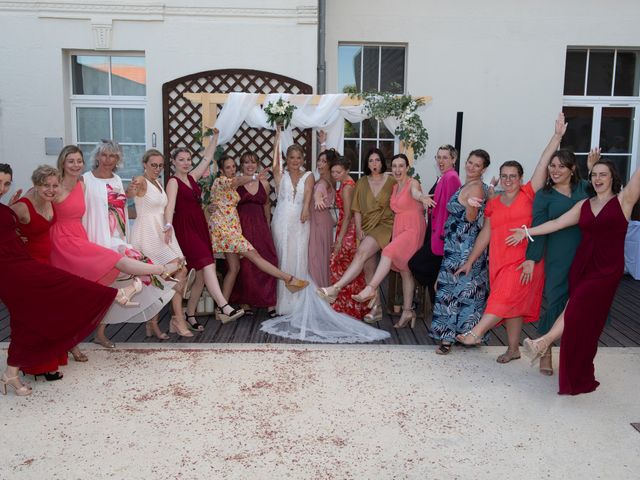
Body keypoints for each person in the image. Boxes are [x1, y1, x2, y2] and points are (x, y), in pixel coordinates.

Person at [0, 163, 139, 396]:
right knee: (65, 284)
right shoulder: (16, 207)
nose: (2, 188)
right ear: (36, 185)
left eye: (6, 183)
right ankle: (117, 294)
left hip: (21, 264)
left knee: (29, 319)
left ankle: (10, 373)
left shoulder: (7, 208)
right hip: (12, 270)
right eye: (0, 182)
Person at [509, 158, 640, 395]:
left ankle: (544, 341)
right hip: (582, 266)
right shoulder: (584, 205)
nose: (598, 179)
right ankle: (578, 374)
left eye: (603, 175)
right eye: (595, 175)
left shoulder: (623, 201)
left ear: (613, 178)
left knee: (577, 303)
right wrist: (527, 232)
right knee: (583, 321)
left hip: (607, 270)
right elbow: (557, 223)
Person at [260, 128, 390, 343]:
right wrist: (277, 137)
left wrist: (310, 206)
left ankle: (307, 300)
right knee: (283, 258)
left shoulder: (310, 176)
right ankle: (283, 302)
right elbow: (281, 165)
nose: (295, 160)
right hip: (281, 220)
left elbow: (319, 187)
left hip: (303, 221)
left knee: (302, 259)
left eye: (299, 157)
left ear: (303, 159)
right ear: (287, 158)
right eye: (291, 157)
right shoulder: (281, 175)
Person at [455, 114, 566, 362]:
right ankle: (513, 349)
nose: (507, 180)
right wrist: (471, 260)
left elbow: (542, 163)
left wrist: (556, 136)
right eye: (504, 176)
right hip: (499, 260)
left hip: (524, 261)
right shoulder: (494, 201)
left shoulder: (529, 194)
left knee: (504, 297)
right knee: (511, 305)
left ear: (521, 178)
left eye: (512, 176)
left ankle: (476, 332)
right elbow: (486, 232)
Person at [49, 146, 179, 349]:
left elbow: (119, 205)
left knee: (131, 273)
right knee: (102, 289)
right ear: (97, 157)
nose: (108, 159)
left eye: (113, 156)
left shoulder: (117, 180)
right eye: (104, 155)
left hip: (116, 237)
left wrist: (130, 194)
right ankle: (83, 337)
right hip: (95, 239)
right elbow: (73, 208)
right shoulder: (85, 180)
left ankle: (104, 328)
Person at [521, 148, 598, 374]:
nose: (555, 170)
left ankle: (575, 356)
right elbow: (538, 226)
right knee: (556, 301)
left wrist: (594, 169)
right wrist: (531, 258)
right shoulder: (544, 195)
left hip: (587, 254)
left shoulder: (585, 188)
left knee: (582, 304)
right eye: (552, 166)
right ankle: (546, 351)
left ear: (572, 169)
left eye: (561, 166)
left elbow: (608, 196)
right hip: (558, 254)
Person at [208, 153, 308, 319]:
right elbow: (235, 183)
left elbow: (263, 203)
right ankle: (289, 279)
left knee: (235, 268)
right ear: (221, 170)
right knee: (254, 259)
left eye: (233, 166)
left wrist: (214, 205)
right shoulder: (226, 181)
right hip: (230, 231)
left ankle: (221, 310)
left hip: (237, 228)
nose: (232, 170)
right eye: (228, 167)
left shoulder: (235, 183)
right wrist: (212, 207)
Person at [165, 129, 244, 325]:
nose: (185, 162)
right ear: (174, 162)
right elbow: (170, 207)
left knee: (201, 275)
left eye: (188, 159)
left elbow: (208, 158)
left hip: (199, 226)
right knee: (208, 263)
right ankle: (224, 306)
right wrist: (167, 227)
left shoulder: (192, 177)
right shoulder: (173, 182)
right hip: (184, 229)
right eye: (181, 159)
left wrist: (215, 138)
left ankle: (190, 315)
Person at [316, 148, 395, 324]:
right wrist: (359, 229)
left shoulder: (390, 181)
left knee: (357, 257)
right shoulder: (361, 183)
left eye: (377, 160)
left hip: (383, 226)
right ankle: (375, 308)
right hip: (365, 228)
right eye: (371, 161)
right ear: (366, 164)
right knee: (369, 269)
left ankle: (336, 289)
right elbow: (357, 209)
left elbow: (405, 190)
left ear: (382, 162)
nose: (374, 164)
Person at [351, 154, 430, 328]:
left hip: (412, 228)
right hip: (399, 227)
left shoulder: (412, 182)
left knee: (388, 251)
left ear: (407, 168)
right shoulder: (394, 187)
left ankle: (371, 288)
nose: (397, 169)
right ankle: (408, 311)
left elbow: (415, 193)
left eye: (401, 166)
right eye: (394, 166)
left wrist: (422, 197)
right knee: (405, 271)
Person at [429, 150, 491, 354]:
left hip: (464, 247)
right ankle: (462, 335)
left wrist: (472, 208)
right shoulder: (470, 185)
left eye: (477, 165)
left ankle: (448, 339)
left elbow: (472, 219)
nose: (471, 167)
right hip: (455, 244)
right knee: (455, 288)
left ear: (484, 169)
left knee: (457, 290)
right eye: (470, 162)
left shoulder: (477, 189)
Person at [130, 149, 195, 339]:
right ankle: (174, 319)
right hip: (148, 233)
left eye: (160, 165)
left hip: (163, 231)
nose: (157, 168)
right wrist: (129, 189)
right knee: (172, 272)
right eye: (153, 165)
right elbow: (129, 193)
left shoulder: (158, 182)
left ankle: (157, 320)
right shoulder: (141, 180)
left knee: (176, 272)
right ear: (144, 164)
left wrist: (167, 227)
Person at [408, 145, 462, 305]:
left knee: (416, 264)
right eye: (438, 157)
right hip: (433, 232)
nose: (440, 161)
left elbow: (451, 210)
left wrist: (443, 235)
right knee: (432, 271)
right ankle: (438, 310)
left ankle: (438, 298)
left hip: (440, 235)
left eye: (445, 157)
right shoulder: (444, 177)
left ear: (453, 159)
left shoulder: (451, 177)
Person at [229, 151, 279, 318]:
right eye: (246, 163)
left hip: (260, 226)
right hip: (241, 226)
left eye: (253, 162)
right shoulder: (236, 182)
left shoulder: (264, 184)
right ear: (241, 166)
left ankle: (269, 302)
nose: (250, 166)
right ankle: (245, 301)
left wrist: (268, 225)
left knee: (268, 259)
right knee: (245, 265)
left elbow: (266, 205)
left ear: (257, 164)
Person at [328, 156, 369, 319]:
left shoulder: (347, 187)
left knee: (341, 265)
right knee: (347, 267)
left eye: (338, 172)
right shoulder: (347, 183)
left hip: (348, 231)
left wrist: (339, 239)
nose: (335, 174)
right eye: (333, 172)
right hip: (346, 229)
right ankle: (348, 307)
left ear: (346, 171)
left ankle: (346, 308)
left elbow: (347, 215)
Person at [308, 137, 337, 287]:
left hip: (319, 222)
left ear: (330, 164)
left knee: (315, 257)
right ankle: (323, 288)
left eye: (324, 162)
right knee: (322, 257)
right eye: (319, 161)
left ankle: (317, 291)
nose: (319, 164)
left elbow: (318, 193)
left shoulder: (323, 182)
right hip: (322, 221)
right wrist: (323, 143)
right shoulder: (329, 179)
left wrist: (318, 199)